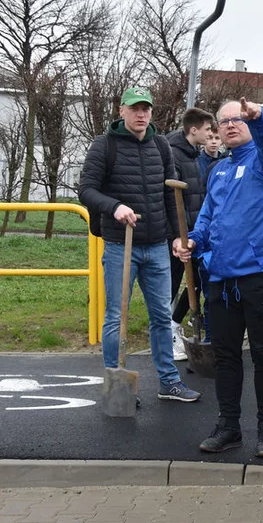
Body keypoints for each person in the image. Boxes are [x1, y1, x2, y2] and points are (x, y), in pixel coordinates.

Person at [173, 98, 263, 458]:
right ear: (217, 131)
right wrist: (191, 240)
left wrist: (262, 118)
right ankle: (229, 425)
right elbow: (208, 218)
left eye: (239, 119)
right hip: (220, 278)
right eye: (224, 122)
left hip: (259, 274)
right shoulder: (218, 171)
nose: (232, 125)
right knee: (225, 357)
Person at [78, 87, 201, 404]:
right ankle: (115, 383)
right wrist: (115, 207)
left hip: (157, 245)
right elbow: (87, 190)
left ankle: (169, 382)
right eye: (135, 108)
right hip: (121, 245)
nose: (141, 113)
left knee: (161, 315)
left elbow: (171, 197)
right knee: (116, 317)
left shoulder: (161, 146)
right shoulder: (104, 146)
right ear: (122, 111)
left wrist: (177, 236)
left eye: (145, 108)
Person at [167, 108, 215, 360]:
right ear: (193, 130)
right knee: (172, 286)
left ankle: (175, 326)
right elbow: (175, 200)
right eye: (208, 129)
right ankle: (167, 335)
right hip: (177, 237)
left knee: (195, 280)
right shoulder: (173, 154)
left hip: (193, 234)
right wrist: (179, 236)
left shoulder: (191, 154)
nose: (211, 133)